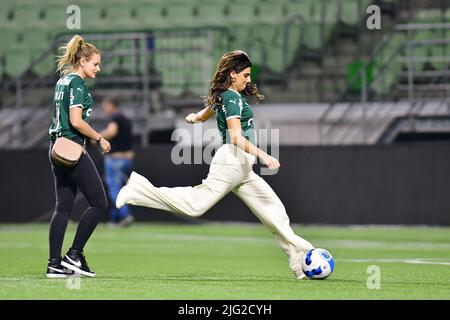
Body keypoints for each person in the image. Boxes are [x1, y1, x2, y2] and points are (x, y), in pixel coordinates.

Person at [115, 50, 314, 279]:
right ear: (232, 74)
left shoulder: (224, 97)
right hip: (232, 160)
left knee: (274, 211)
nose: (249, 80)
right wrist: (264, 156)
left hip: (243, 168)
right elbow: (237, 137)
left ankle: (300, 261)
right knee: (196, 205)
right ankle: (138, 189)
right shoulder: (231, 98)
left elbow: (204, 114)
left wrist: (194, 118)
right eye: (246, 75)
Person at [47, 35, 111, 278]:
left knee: (62, 207)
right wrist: (99, 138)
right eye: (95, 63)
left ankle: (54, 263)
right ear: (82, 61)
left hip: (55, 147)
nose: (98, 68)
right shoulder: (77, 83)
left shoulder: (62, 81)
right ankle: (74, 254)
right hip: (71, 147)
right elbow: (76, 121)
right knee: (99, 203)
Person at [99, 96, 135, 227]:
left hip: (116, 159)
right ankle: (116, 220)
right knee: (119, 189)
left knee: (114, 189)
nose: (104, 109)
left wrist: (96, 137)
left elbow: (111, 131)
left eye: (105, 105)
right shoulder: (125, 119)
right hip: (127, 159)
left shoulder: (115, 118)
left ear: (111, 105)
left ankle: (125, 215)